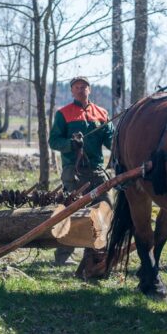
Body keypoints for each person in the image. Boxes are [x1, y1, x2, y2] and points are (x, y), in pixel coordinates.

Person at [49, 76, 114, 266]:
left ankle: (97, 251)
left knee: (107, 208)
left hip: (97, 170)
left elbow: (111, 141)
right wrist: (70, 144)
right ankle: (63, 256)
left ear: (89, 90)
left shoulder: (101, 113)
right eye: (76, 87)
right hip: (73, 171)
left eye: (83, 87)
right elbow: (53, 141)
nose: (80, 89)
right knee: (72, 211)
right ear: (71, 91)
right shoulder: (63, 114)